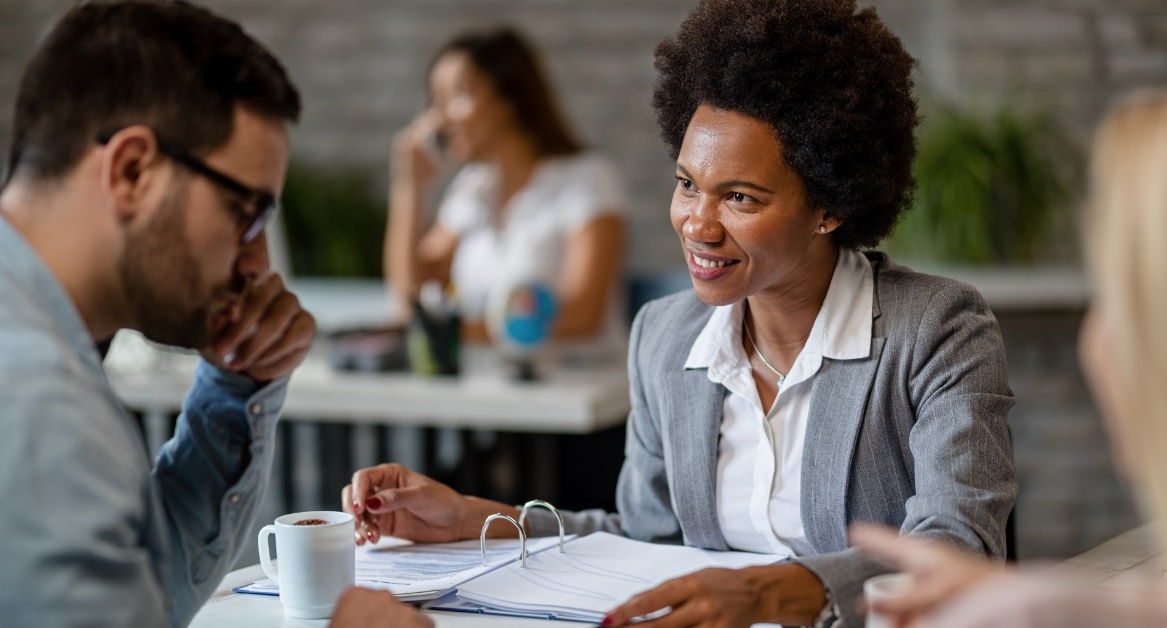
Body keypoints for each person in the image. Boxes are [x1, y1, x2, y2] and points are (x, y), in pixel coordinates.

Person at [345, 1, 1017, 626]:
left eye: (741, 198)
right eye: (688, 184)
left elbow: (957, 547)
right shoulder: (666, 339)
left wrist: (768, 592)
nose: (697, 224)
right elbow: (644, 538)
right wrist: (474, 519)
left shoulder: (935, 331)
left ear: (830, 207)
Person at [0, 2, 428, 626]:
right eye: (247, 213)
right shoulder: (33, 404)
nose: (258, 265)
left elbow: (148, 588)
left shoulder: (10, 322)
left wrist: (237, 388)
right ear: (132, 171)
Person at [850, 89, 1167, 628]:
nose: (1098, 345)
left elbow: (957, 529)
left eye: (1118, 299)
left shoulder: (940, 320)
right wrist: (1089, 606)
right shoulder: (663, 335)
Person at [384, 26, 627, 343]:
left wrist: (449, 331)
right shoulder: (472, 189)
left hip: (573, 383)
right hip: (489, 384)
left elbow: (581, 315)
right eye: (435, 101)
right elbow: (409, 300)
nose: (440, 119)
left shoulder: (588, 181)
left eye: (458, 95)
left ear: (508, 99)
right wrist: (411, 186)